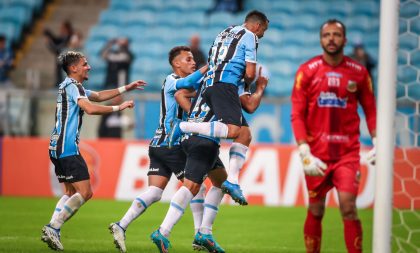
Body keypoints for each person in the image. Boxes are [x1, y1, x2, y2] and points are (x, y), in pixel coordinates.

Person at [108, 46, 224, 253]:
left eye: (193, 59)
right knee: (197, 187)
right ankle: (198, 234)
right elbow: (188, 84)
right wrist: (212, 66)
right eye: (188, 59)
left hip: (158, 145)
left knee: (154, 192)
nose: (192, 62)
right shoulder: (171, 80)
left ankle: (121, 225)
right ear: (176, 64)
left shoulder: (187, 83)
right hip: (172, 145)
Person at [41, 51, 146, 251]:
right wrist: (119, 107)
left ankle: (53, 229)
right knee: (86, 192)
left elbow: (97, 96)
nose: (88, 67)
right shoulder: (73, 86)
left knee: (71, 191)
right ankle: (53, 227)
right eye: (85, 64)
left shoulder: (71, 86)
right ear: (73, 68)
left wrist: (127, 87)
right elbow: (89, 108)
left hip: (56, 145)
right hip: (67, 146)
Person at [290, 19, 377, 253]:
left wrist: (378, 140)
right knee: (316, 210)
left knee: (348, 207)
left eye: (336, 35)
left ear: (344, 40)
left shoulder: (359, 73)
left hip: (346, 154)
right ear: (320, 39)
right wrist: (304, 150)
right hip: (316, 155)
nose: (331, 39)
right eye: (326, 35)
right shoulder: (306, 72)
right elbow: (297, 113)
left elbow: (371, 109)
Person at [167, 10, 269, 205]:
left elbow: (214, 64)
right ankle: (182, 127)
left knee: (244, 134)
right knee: (233, 131)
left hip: (213, 83)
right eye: (263, 30)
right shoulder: (250, 36)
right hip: (224, 86)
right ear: (257, 26)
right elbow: (249, 73)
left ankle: (232, 181)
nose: (262, 34)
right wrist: (254, 84)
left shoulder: (223, 33)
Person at [44, 20, 74, 85]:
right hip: (61, 60)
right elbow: (56, 40)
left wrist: (49, 43)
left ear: (66, 29)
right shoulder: (65, 37)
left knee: (61, 78)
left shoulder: (68, 38)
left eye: (62, 28)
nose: (61, 29)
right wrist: (49, 34)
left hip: (66, 61)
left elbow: (58, 49)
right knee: (58, 77)